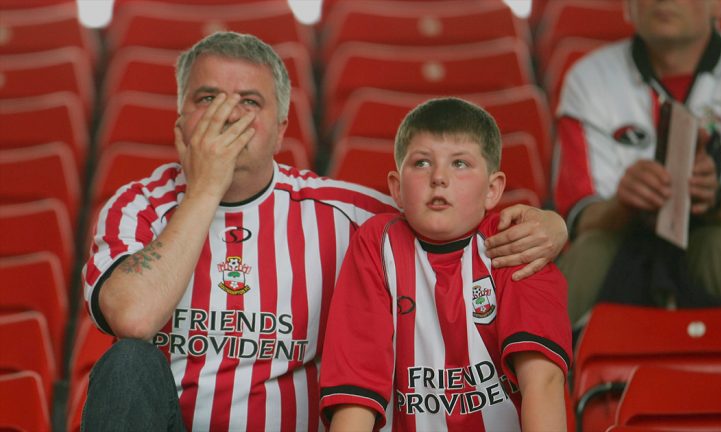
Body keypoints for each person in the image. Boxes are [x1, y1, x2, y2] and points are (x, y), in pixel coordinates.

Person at [81, 32, 569, 431]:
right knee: (127, 364)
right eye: (207, 99)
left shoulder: (347, 216)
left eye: (249, 102)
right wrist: (206, 189)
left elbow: (446, 213)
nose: (226, 115)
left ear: (281, 126)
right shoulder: (137, 206)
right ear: (181, 120)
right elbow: (134, 318)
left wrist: (552, 225)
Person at [319, 98, 571, 431]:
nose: (439, 177)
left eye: (460, 164)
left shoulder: (519, 241)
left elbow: (543, 383)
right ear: (396, 188)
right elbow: (356, 393)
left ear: (493, 189)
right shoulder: (375, 245)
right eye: (422, 163)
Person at [554, 0, 721, 326]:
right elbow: (582, 219)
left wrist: (715, 198)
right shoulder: (588, 79)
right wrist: (624, 202)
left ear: (718, 6)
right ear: (628, 7)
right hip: (622, 243)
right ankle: (542, 374)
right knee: (589, 252)